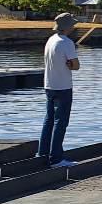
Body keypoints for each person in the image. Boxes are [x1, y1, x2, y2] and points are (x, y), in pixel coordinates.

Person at [37, 12, 80, 167]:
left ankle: (42, 153)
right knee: (61, 122)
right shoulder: (66, 43)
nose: (74, 27)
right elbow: (76, 65)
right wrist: (71, 64)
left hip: (49, 85)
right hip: (63, 86)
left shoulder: (50, 40)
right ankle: (56, 158)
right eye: (72, 25)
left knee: (48, 120)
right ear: (68, 27)